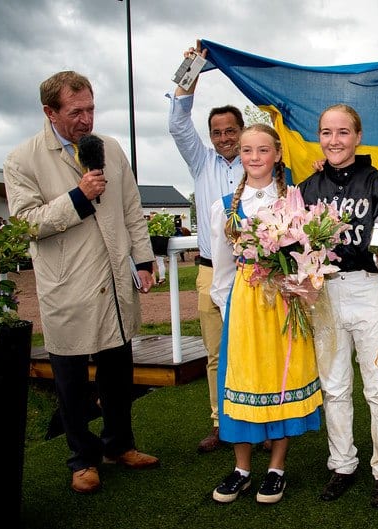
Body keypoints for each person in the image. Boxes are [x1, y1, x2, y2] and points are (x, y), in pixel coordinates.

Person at [3, 70, 159, 494]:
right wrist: (77, 196)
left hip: (113, 280)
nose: (87, 120)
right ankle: (82, 460)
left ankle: (119, 445)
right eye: (76, 112)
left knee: (118, 372)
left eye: (90, 109)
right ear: (49, 111)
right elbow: (25, 224)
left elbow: (131, 207)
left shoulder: (109, 148)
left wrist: (143, 260)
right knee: (71, 379)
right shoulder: (23, 159)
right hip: (67, 284)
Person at [209, 124, 322, 504]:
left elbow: (307, 256)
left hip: (283, 302)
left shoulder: (295, 199)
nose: (254, 158)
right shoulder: (224, 205)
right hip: (244, 304)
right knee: (241, 380)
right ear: (239, 155)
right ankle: (242, 469)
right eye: (246, 151)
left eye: (262, 150)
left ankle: (276, 467)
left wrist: (301, 289)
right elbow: (222, 269)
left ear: (276, 155)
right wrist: (229, 313)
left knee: (280, 378)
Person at [298, 104, 378, 509]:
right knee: (334, 386)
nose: (334, 140)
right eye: (326, 132)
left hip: (368, 288)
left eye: (343, 132)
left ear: (358, 136)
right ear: (319, 137)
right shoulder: (305, 189)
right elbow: (296, 246)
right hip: (325, 293)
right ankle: (342, 464)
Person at [168, 43, 244, 453]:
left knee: (249, 351)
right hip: (210, 271)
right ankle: (221, 424)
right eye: (217, 132)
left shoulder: (258, 163)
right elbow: (179, 124)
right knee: (215, 355)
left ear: (241, 131)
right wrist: (191, 68)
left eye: (230, 131)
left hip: (252, 273)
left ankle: (257, 421)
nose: (223, 138)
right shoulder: (201, 162)